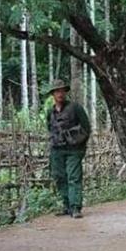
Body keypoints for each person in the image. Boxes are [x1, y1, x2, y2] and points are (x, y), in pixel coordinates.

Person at [46, 79, 91, 218]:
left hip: (74, 149)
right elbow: (50, 128)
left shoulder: (75, 108)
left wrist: (80, 145)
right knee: (59, 176)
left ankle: (75, 207)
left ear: (65, 92)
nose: (60, 94)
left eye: (62, 91)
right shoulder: (50, 112)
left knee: (73, 177)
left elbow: (86, 127)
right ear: (53, 94)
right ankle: (66, 205)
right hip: (57, 149)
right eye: (57, 91)